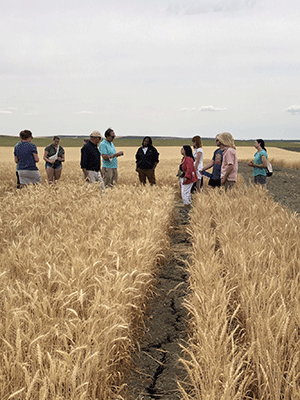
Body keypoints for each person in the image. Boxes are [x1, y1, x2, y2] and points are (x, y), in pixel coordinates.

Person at [178, 145, 197, 210]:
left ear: (186, 150)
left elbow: (189, 169)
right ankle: (187, 206)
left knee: (185, 193)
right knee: (186, 192)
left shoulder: (188, 159)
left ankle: (187, 207)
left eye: (182, 149)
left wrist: (186, 177)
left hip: (187, 179)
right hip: (183, 177)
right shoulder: (184, 158)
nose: (181, 150)